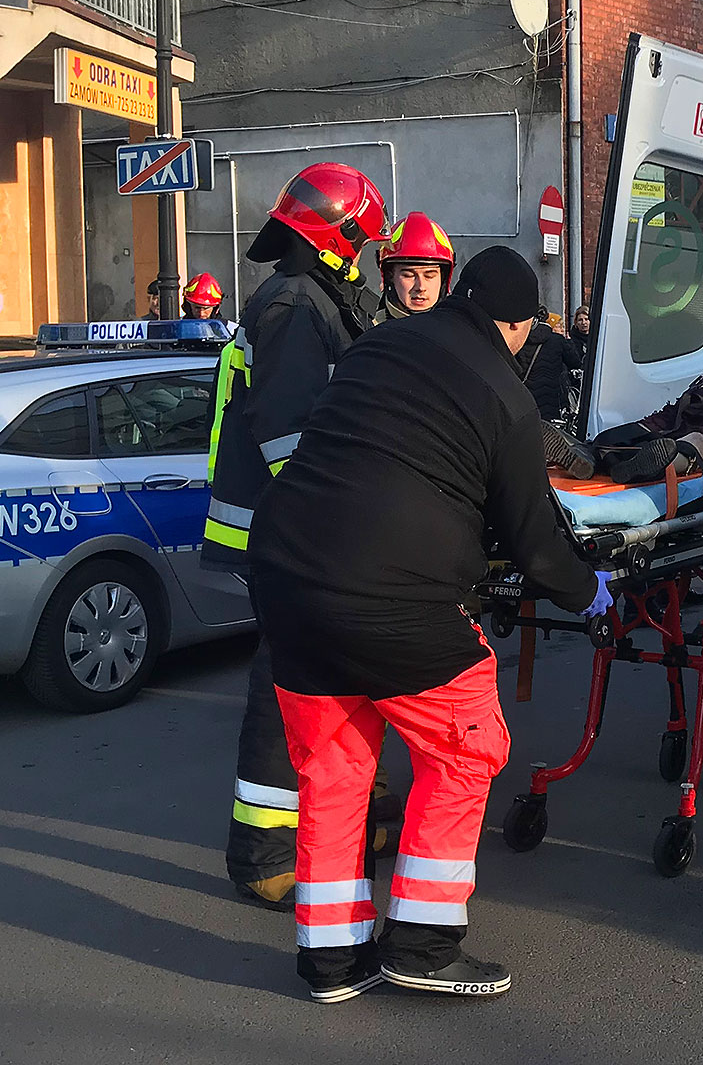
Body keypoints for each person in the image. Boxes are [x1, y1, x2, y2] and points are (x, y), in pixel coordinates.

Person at [248, 246, 608, 1002]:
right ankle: (422, 942)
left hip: (288, 582)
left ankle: (332, 960)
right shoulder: (505, 397)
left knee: (334, 772)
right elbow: (535, 543)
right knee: (466, 750)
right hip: (395, 599)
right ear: (515, 326)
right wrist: (586, 592)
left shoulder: (378, 346)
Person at [204, 161, 390, 910]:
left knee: (343, 675)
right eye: (362, 242)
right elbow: (289, 437)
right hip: (291, 530)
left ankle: (354, 817)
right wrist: (341, 515)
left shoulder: (320, 297)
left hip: (309, 527)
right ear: (340, 235)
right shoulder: (292, 304)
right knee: (287, 688)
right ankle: (264, 855)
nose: (365, 255)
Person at [516, 305, 586, 426]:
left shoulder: (519, 341)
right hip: (554, 400)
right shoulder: (557, 340)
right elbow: (575, 363)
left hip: (526, 400)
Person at [378, 212, 455, 319]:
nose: (420, 287)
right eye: (408, 275)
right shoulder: (367, 326)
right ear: (390, 276)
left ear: (443, 279)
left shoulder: (463, 327)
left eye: (429, 276)